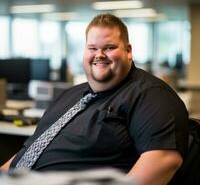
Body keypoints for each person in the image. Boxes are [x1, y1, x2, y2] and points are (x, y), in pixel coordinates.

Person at [1, 14, 189, 185]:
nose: (99, 54)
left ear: (128, 51)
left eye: (109, 47)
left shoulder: (151, 95)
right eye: (92, 48)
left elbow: (163, 160)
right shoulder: (69, 95)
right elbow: (32, 149)